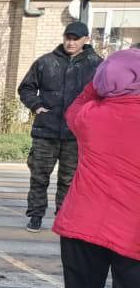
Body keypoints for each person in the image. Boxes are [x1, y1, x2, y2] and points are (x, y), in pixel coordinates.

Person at [51, 47, 140, 288]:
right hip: (132, 232)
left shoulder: (89, 116)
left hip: (82, 226)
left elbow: (76, 105)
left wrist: (97, 85)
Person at [17, 21, 101, 232]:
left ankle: (63, 217)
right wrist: (36, 105)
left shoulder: (97, 64)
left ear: (86, 40)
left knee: (69, 179)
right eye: (68, 38)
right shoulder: (46, 62)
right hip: (46, 131)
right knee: (39, 175)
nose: (70, 42)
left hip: (76, 134)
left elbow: (104, 94)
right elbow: (26, 88)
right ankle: (35, 215)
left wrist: (91, 117)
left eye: (75, 39)